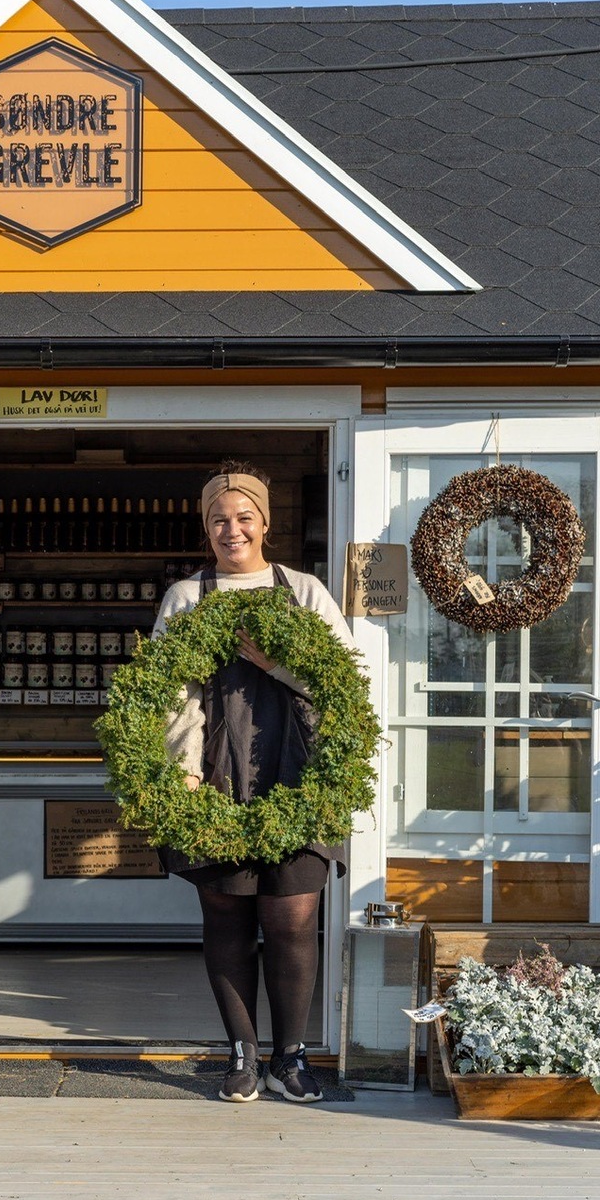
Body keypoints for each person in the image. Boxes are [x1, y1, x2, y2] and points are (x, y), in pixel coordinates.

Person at [151, 461, 361, 1104]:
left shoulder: (304, 591)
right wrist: (184, 773)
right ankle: (242, 1053)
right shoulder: (188, 598)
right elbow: (168, 693)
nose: (231, 529)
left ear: (265, 523)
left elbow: (347, 684)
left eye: (244, 517)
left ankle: (289, 1058)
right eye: (218, 518)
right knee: (228, 919)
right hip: (216, 779)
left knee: (293, 918)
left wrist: (277, 664)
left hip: (300, 779)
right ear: (205, 527)